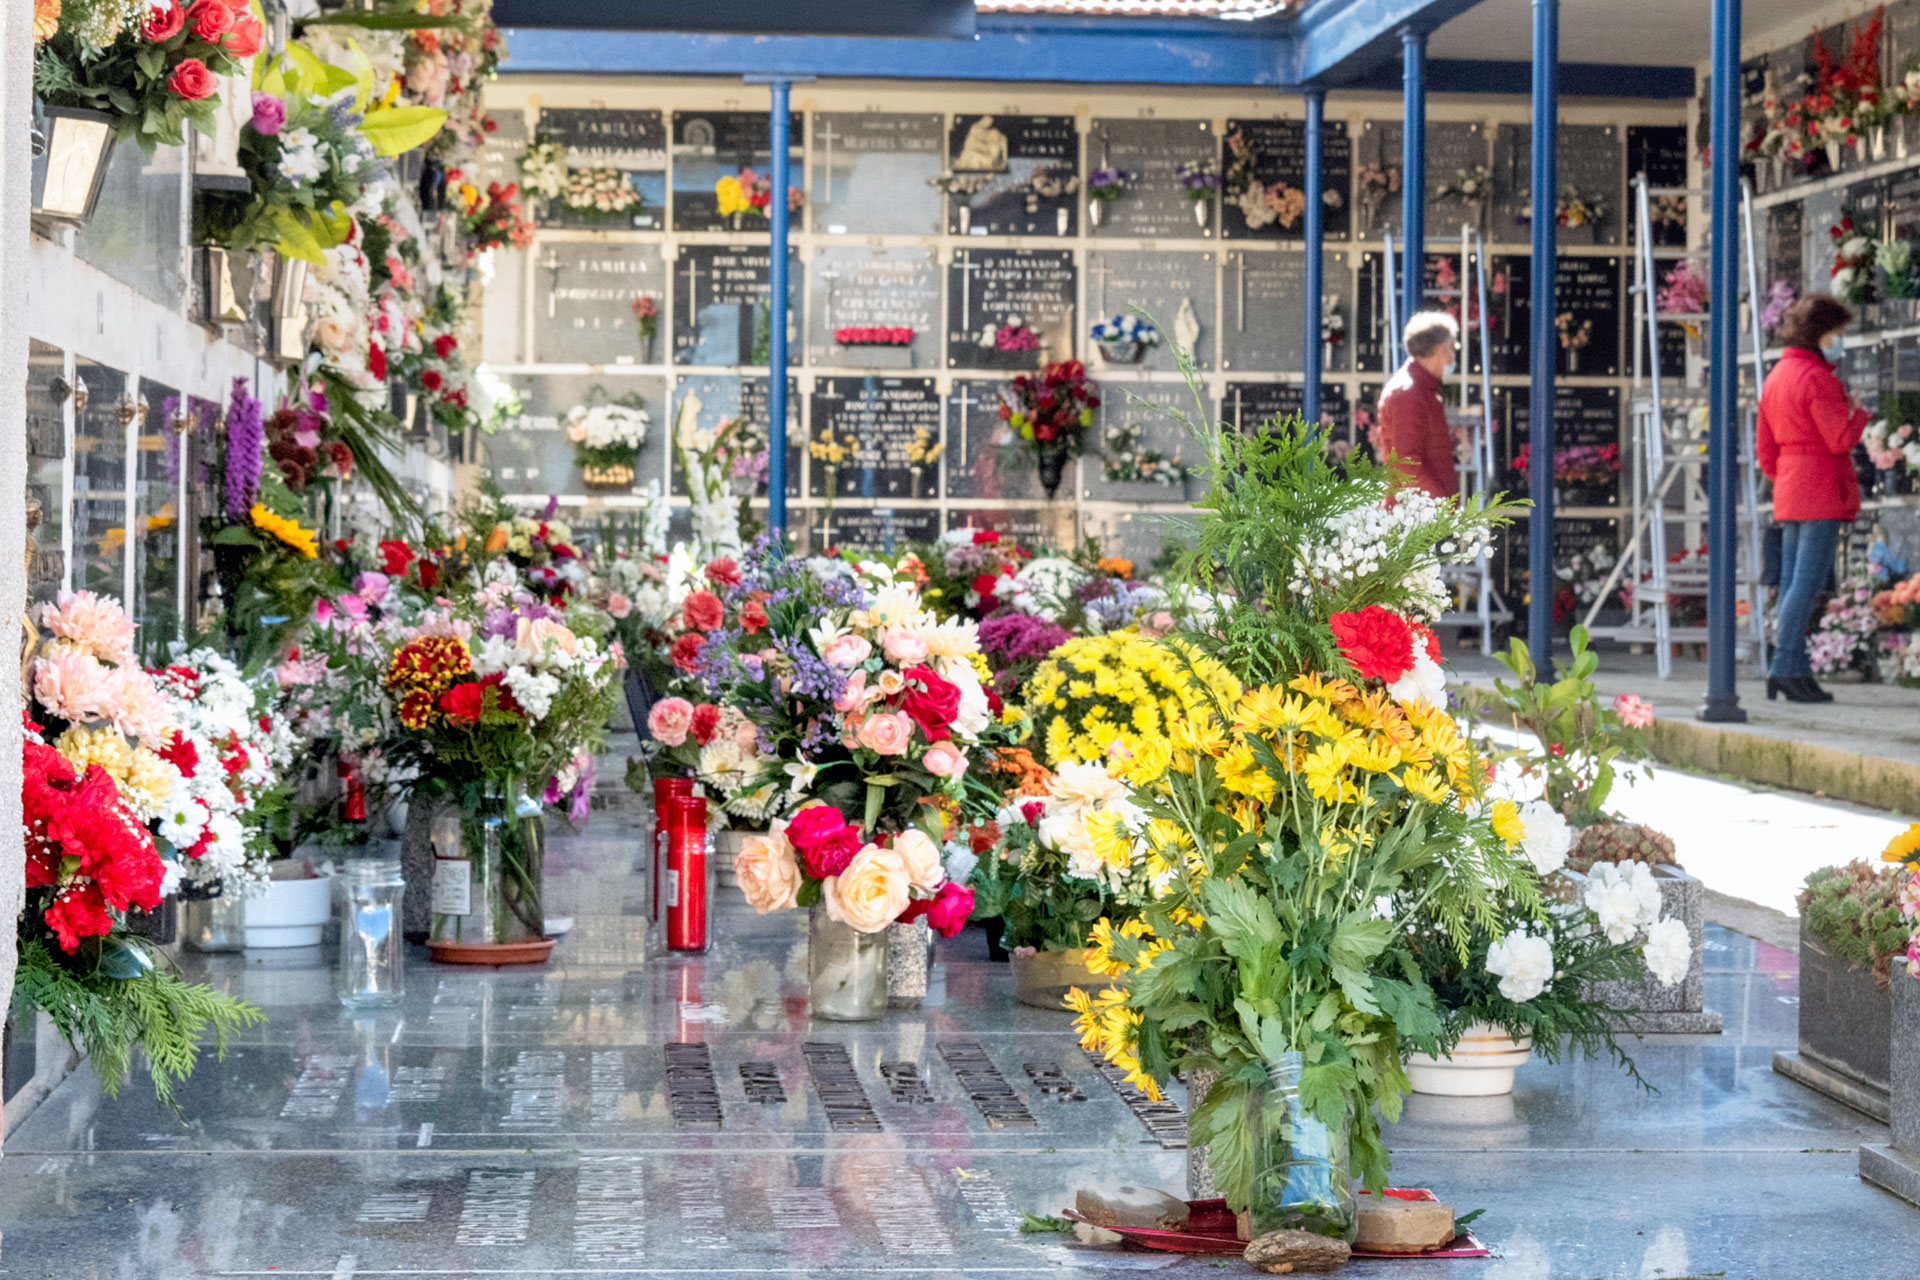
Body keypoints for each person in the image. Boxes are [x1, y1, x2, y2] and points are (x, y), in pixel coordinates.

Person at [1755, 293, 1869, 704]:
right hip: (1819, 485)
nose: (1839, 340)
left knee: (1790, 584)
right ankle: (1785, 667)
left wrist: (1786, 476)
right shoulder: (1818, 378)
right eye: (1836, 333)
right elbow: (1839, 439)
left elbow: (1765, 450)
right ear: (1821, 333)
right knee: (1807, 584)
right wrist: (1857, 413)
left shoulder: (1776, 376)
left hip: (1789, 485)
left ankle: (1792, 670)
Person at [1373, 311, 1460, 499]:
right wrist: (1442, 509)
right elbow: (1407, 464)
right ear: (1440, 348)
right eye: (1452, 348)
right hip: (1416, 517)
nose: (1453, 358)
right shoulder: (1408, 393)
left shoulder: (1419, 389)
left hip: (1423, 514)